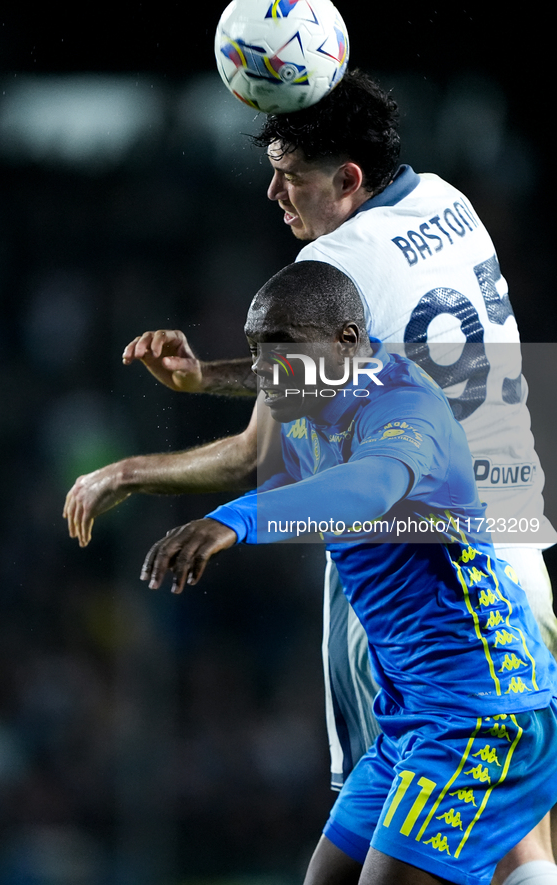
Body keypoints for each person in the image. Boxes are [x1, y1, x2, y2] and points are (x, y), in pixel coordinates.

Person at [63, 70, 557, 884]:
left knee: (409, 840)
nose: (273, 193)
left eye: (290, 175)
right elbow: (337, 358)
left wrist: (131, 473)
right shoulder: (443, 200)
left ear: (347, 180)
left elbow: (260, 451)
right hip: (516, 547)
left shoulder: (333, 259)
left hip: (420, 573)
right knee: (517, 833)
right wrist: (208, 375)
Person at [139, 260, 557, 885]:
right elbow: (253, 458)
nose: (262, 370)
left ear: (346, 342)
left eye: (280, 351)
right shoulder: (306, 405)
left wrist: (236, 520)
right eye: (256, 349)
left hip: (483, 710)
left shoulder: (406, 405)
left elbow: (371, 487)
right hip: (412, 715)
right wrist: (134, 465)